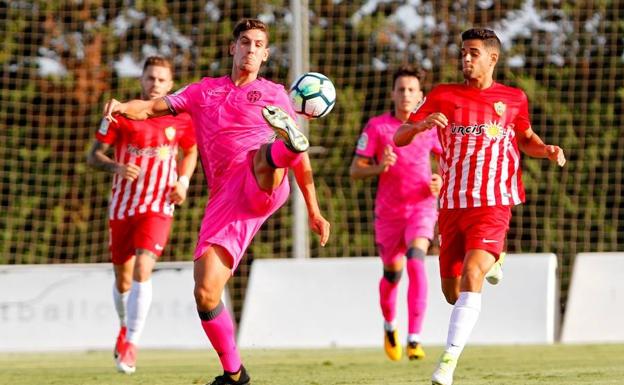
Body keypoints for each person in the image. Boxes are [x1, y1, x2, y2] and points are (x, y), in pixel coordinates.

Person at [102, 18, 331, 385]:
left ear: (266, 55)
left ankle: (283, 145)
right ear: (232, 48)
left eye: (258, 45)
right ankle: (234, 373)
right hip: (225, 198)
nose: (251, 49)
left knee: (263, 155)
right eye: (245, 42)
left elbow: (303, 162)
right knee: (206, 291)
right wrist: (122, 106)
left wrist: (315, 211)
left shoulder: (275, 94)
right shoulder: (202, 91)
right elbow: (150, 108)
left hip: (262, 180)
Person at [393, 28, 566, 385]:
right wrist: (422, 124)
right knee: (452, 292)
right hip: (453, 205)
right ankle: (496, 257)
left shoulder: (513, 99)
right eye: (462, 53)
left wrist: (545, 149)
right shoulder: (442, 95)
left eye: (473, 52)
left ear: (492, 58)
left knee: (473, 274)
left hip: (494, 203)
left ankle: (447, 363)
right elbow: (400, 136)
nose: (466, 59)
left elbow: (526, 138)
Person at [87, 56, 198, 374]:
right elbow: (92, 155)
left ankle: (132, 344)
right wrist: (116, 166)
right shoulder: (120, 115)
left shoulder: (181, 118)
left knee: (143, 268)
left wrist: (184, 181)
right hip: (123, 207)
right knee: (123, 279)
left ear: (171, 85)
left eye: (162, 80)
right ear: (141, 80)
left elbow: (190, 150)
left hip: (159, 206)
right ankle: (125, 327)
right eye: (150, 78)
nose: (155, 85)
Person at [349, 65, 442, 361]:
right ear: (392, 94)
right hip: (388, 214)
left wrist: (441, 179)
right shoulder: (377, 127)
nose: (406, 95)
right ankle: (390, 326)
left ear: (421, 96)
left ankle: (415, 338)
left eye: (411, 90)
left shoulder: (429, 127)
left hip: (422, 208)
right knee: (392, 274)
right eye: (401, 89)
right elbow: (355, 170)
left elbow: (446, 161)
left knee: (416, 261)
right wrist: (379, 167)